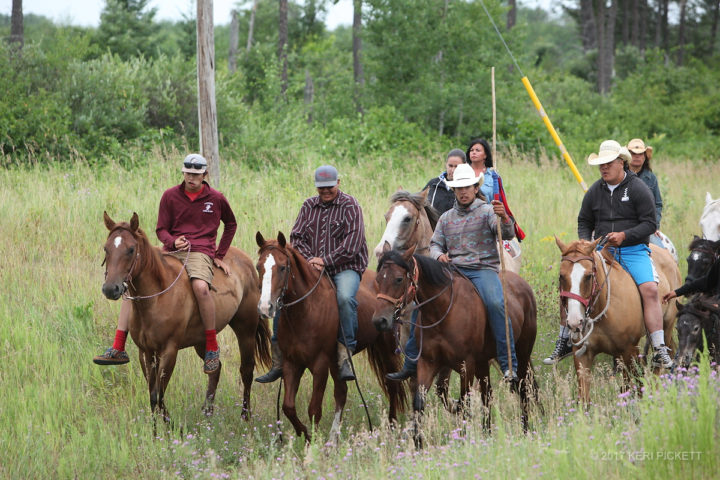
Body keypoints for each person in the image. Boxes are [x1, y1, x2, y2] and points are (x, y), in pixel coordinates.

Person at [93, 153, 237, 374]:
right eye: (188, 173)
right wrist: (172, 241)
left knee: (201, 288)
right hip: (170, 250)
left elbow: (231, 224)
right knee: (132, 284)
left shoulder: (216, 198)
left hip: (200, 252)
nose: (192, 178)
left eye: (196, 174)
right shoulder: (170, 196)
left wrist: (219, 253)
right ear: (183, 173)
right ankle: (118, 346)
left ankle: (211, 346)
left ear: (204, 175)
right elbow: (161, 229)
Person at [542, 140, 674, 369]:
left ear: (621, 162)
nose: (603, 168)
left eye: (608, 163)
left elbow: (649, 223)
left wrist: (625, 235)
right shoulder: (595, 190)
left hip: (634, 250)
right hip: (602, 250)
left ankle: (659, 346)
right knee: (570, 283)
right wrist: (585, 241)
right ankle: (564, 339)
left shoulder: (638, 188)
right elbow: (584, 220)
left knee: (650, 289)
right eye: (601, 164)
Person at [255, 165, 369, 383]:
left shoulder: (351, 205)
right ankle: (278, 359)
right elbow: (297, 237)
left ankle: (345, 355)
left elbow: (352, 244)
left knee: (345, 298)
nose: (325, 191)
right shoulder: (308, 205)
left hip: (345, 267)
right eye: (321, 188)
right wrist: (311, 261)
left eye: (329, 187)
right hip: (313, 268)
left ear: (338, 183)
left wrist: (325, 260)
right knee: (283, 295)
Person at [432, 163, 519, 381]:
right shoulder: (445, 218)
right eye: (459, 188)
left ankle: (508, 363)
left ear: (474, 187)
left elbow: (506, 235)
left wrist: (505, 218)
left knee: (496, 304)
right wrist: (438, 256)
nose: (463, 191)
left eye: (467, 187)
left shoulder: (488, 211)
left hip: (482, 269)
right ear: (454, 190)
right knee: (423, 300)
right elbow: (434, 244)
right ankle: (413, 359)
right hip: (453, 270)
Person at [627, 138, 664, 248]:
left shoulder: (651, 178)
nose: (637, 156)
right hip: (623, 224)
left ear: (645, 157)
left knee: (661, 251)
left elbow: (657, 204)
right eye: (633, 153)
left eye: (640, 154)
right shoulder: (619, 176)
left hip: (645, 225)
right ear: (628, 156)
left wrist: (654, 226)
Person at [422, 149, 466, 214]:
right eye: (450, 166)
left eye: (457, 166)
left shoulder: (470, 186)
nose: (453, 170)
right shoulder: (433, 184)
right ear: (446, 164)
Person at [466, 138, 495, 202]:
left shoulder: (493, 176)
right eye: (471, 150)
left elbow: (498, 200)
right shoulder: (463, 172)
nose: (474, 152)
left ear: (485, 155)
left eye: (477, 150)